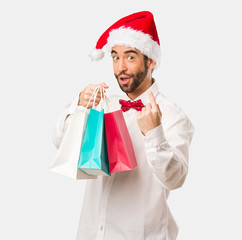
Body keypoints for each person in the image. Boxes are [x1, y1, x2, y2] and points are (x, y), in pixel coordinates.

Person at [53, 11, 194, 240]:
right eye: (115, 57)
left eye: (130, 57)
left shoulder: (171, 115)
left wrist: (154, 133)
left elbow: (175, 178)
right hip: (91, 233)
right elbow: (61, 143)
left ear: (151, 60)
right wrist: (79, 107)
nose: (120, 68)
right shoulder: (105, 104)